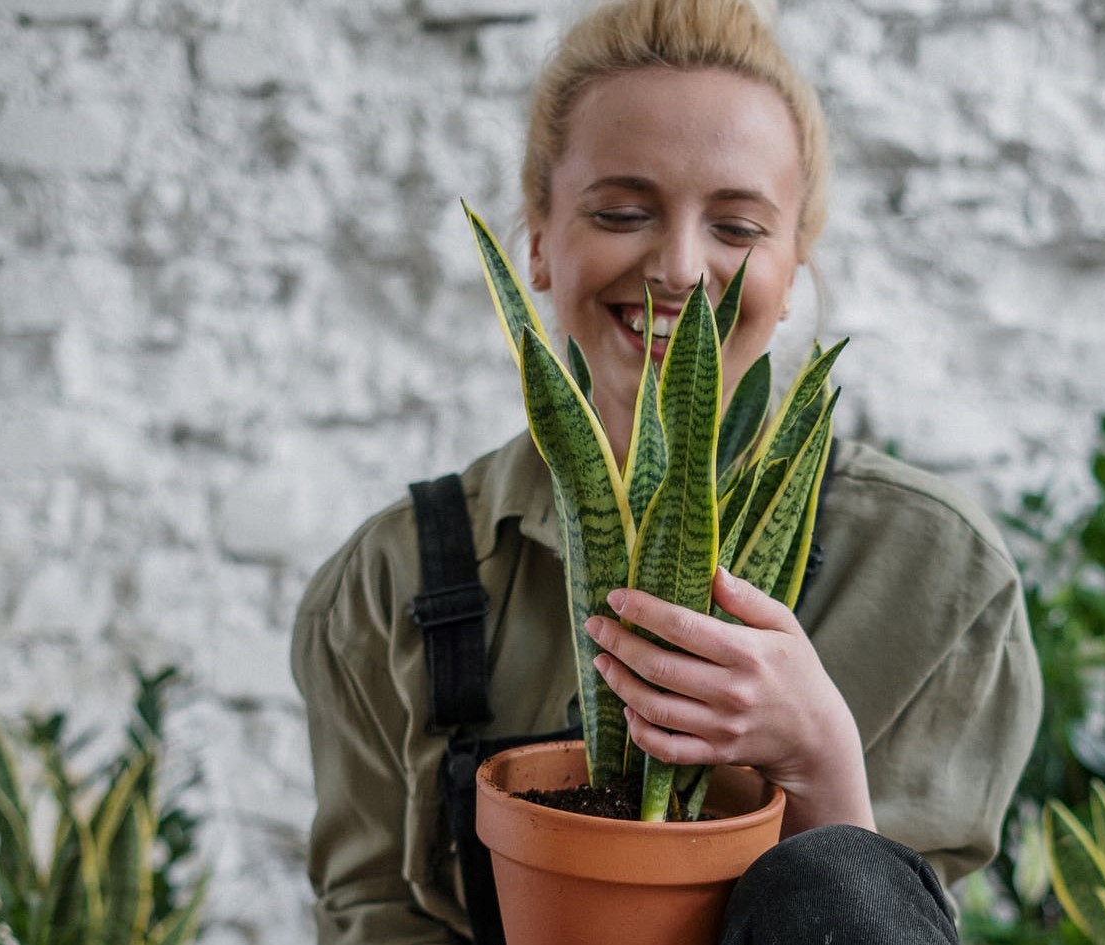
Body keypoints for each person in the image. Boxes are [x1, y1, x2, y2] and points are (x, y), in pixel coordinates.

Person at [290, 0, 1042, 942]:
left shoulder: (935, 573)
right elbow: (374, 918)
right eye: (621, 212)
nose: (680, 267)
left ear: (797, 258)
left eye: (737, 228)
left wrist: (819, 761)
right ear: (536, 239)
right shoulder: (387, 584)